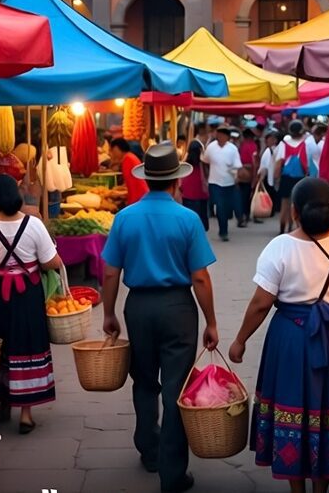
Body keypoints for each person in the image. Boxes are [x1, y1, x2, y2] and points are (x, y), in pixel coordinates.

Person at [229, 178, 329, 490]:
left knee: (293, 408)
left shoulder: (281, 247)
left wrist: (240, 340)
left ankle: (297, 489)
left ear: (296, 212)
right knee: (327, 411)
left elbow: (261, 304)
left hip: (291, 339)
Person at [102, 144, 218, 493]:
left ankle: (149, 449)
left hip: (137, 307)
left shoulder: (125, 217)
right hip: (177, 308)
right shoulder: (187, 219)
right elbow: (200, 277)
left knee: (144, 381)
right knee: (175, 389)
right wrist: (211, 321)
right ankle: (172, 473)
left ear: (148, 179)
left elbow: (110, 273)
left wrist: (108, 312)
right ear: (175, 182)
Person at [0, 175, 62, 434]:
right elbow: (52, 262)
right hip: (27, 294)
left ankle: (4, 402)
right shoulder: (34, 224)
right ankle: (26, 414)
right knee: (27, 344)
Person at [202, 125, 242, 241]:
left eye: (223, 134)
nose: (220, 136)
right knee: (220, 206)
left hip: (228, 183)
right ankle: (223, 231)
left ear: (227, 137)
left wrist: (236, 176)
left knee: (226, 207)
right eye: (218, 134)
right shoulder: (211, 147)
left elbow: (237, 165)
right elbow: (205, 161)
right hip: (214, 182)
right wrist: (205, 176)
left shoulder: (232, 149)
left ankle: (226, 224)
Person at [274, 120, 309, 234]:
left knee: (285, 205)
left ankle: (282, 229)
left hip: (286, 178)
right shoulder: (304, 144)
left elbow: (279, 163)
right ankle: (294, 228)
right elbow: (306, 164)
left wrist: (276, 178)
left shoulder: (283, 144)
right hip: (299, 179)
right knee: (297, 205)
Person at [180, 122, 210, 230]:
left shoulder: (186, 165)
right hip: (200, 192)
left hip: (188, 194)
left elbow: (181, 181)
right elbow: (204, 178)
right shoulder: (201, 164)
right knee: (201, 211)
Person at [110, 138, 149, 206]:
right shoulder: (130, 157)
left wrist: (129, 204)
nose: (112, 153)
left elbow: (132, 187)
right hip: (142, 197)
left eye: (112, 150)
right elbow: (129, 183)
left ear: (117, 149)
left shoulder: (128, 159)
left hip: (139, 198)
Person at [238, 128, 260, 225]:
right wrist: (255, 176)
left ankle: (243, 215)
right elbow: (254, 162)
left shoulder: (242, 146)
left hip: (242, 172)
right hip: (249, 172)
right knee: (248, 195)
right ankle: (246, 215)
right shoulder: (253, 146)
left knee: (242, 195)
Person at [257, 131, 282, 216]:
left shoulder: (277, 149)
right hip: (269, 176)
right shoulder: (268, 150)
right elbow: (264, 165)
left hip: (273, 175)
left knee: (272, 193)